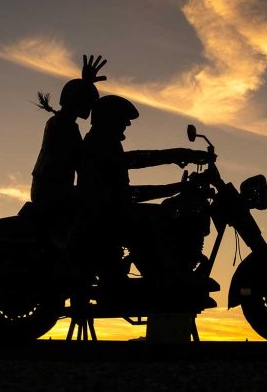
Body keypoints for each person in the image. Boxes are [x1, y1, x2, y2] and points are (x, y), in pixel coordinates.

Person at [72, 94, 213, 280]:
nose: (127, 125)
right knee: (161, 216)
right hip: (105, 216)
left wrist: (177, 156)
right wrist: (175, 186)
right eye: (123, 119)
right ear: (109, 120)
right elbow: (127, 192)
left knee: (162, 212)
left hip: (108, 213)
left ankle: (167, 273)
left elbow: (137, 159)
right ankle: (165, 278)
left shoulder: (105, 144)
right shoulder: (99, 146)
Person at [29, 55, 107, 221]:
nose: (91, 108)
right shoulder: (61, 125)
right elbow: (81, 160)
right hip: (51, 192)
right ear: (78, 101)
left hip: (54, 189)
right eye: (89, 102)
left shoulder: (64, 124)